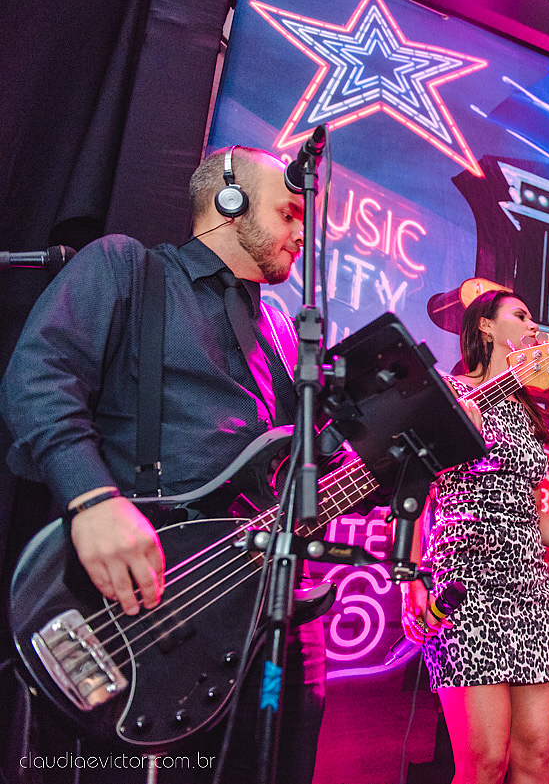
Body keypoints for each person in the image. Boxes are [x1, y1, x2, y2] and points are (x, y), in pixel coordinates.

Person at [0, 146, 324, 783]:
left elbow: (291, 470)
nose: (300, 233)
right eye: (288, 213)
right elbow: (38, 379)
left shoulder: (283, 333)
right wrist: (91, 498)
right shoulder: (128, 268)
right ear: (229, 202)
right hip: (129, 605)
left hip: (245, 616)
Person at [400, 289, 549, 784]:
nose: (534, 326)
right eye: (521, 316)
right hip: (464, 589)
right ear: (485, 327)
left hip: (530, 592)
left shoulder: (523, 411)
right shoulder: (446, 393)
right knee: (485, 764)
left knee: (537, 761)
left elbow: (527, 517)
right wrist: (412, 580)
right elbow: (406, 497)